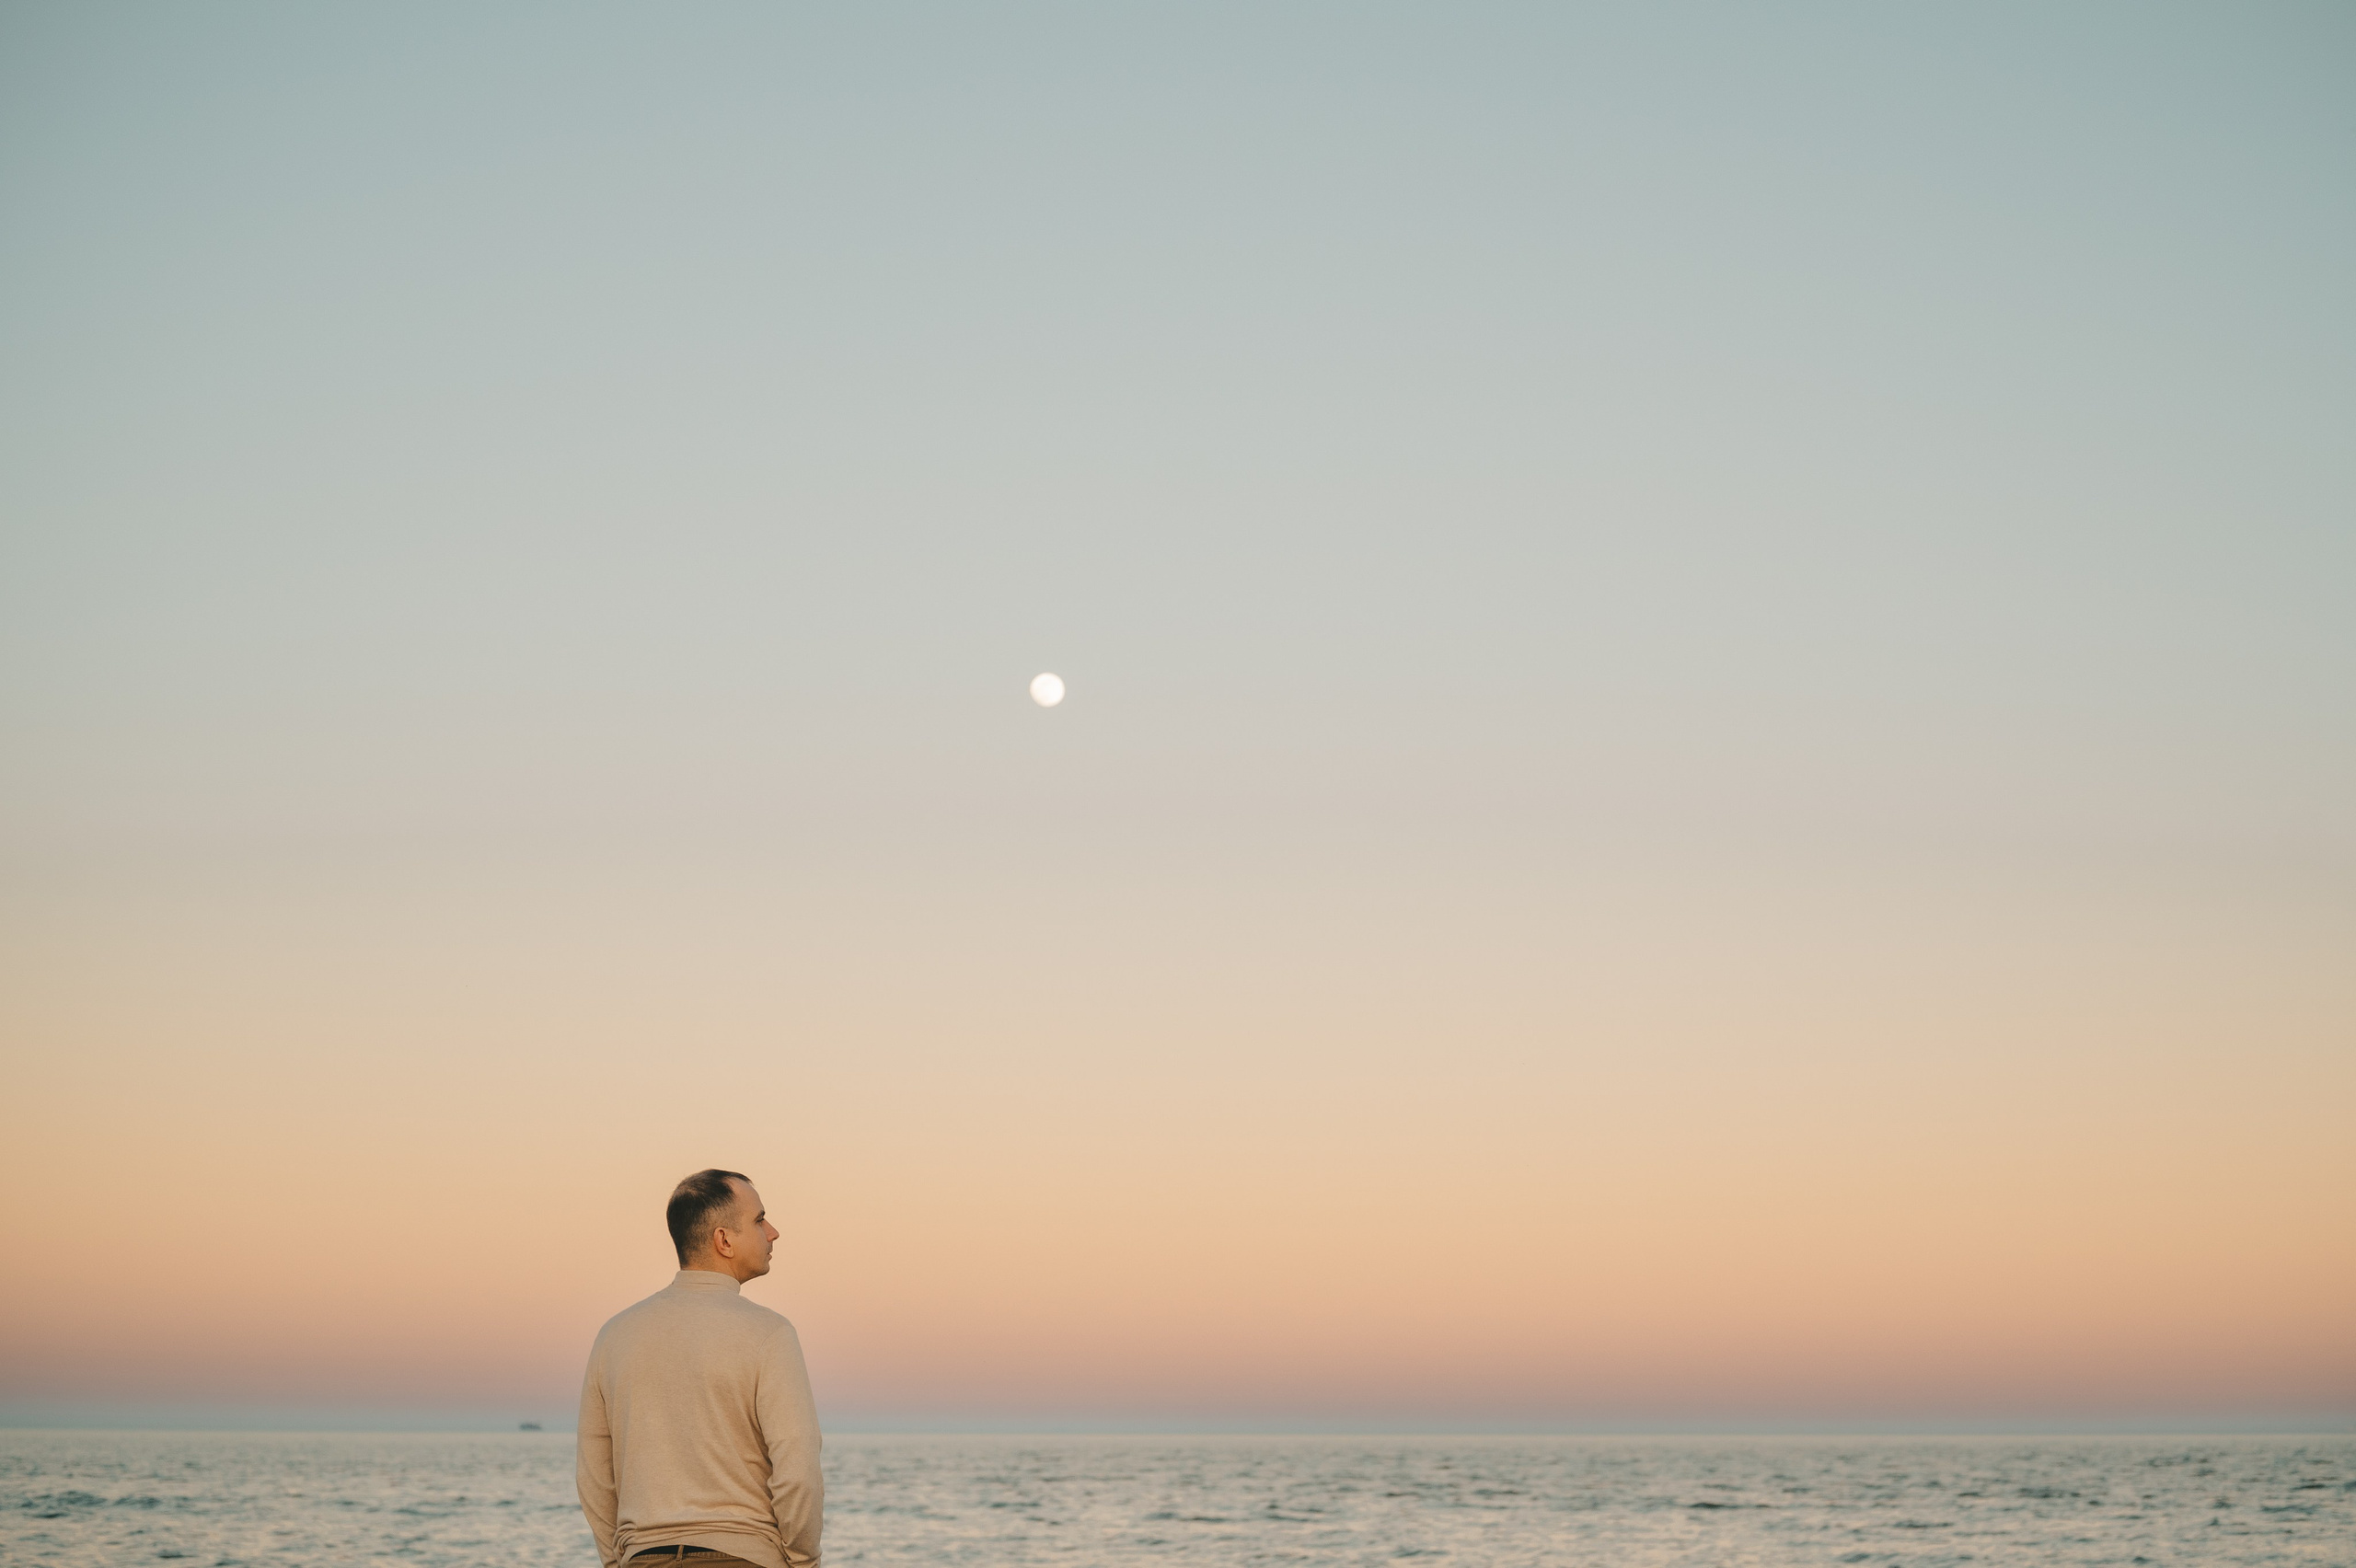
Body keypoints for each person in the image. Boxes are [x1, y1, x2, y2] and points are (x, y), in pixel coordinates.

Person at [577, 1170, 824, 1568]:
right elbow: (798, 1470)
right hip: (744, 1556)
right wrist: (803, 1562)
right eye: (760, 1220)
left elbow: (594, 1476)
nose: (773, 1232)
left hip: (642, 1557)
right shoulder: (770, 1333)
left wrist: (617, 1560)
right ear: (724, 1240)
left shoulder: (615, 1335)